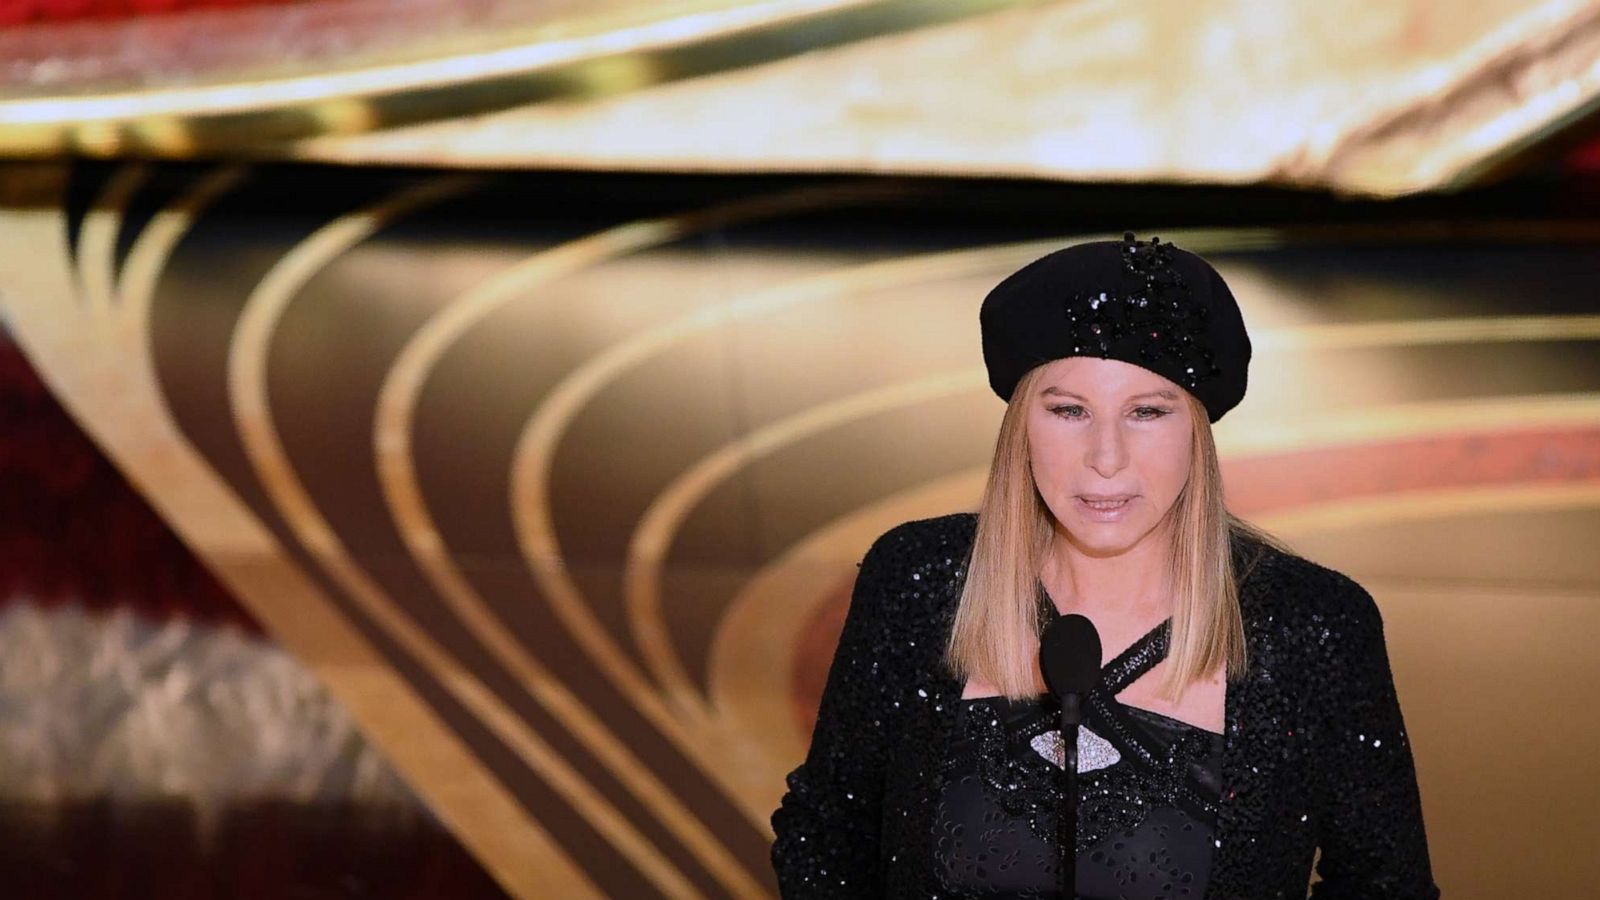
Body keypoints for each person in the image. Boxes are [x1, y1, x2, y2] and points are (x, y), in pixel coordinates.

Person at [769, 233, 1440, 899]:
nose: (1106, 457)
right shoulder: (920, 578)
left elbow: (1385, 883)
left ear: (1197, 432)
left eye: (1147, 411)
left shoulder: (1312, 622)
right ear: (1020, 426)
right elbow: (826, 835)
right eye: (1069, 410)